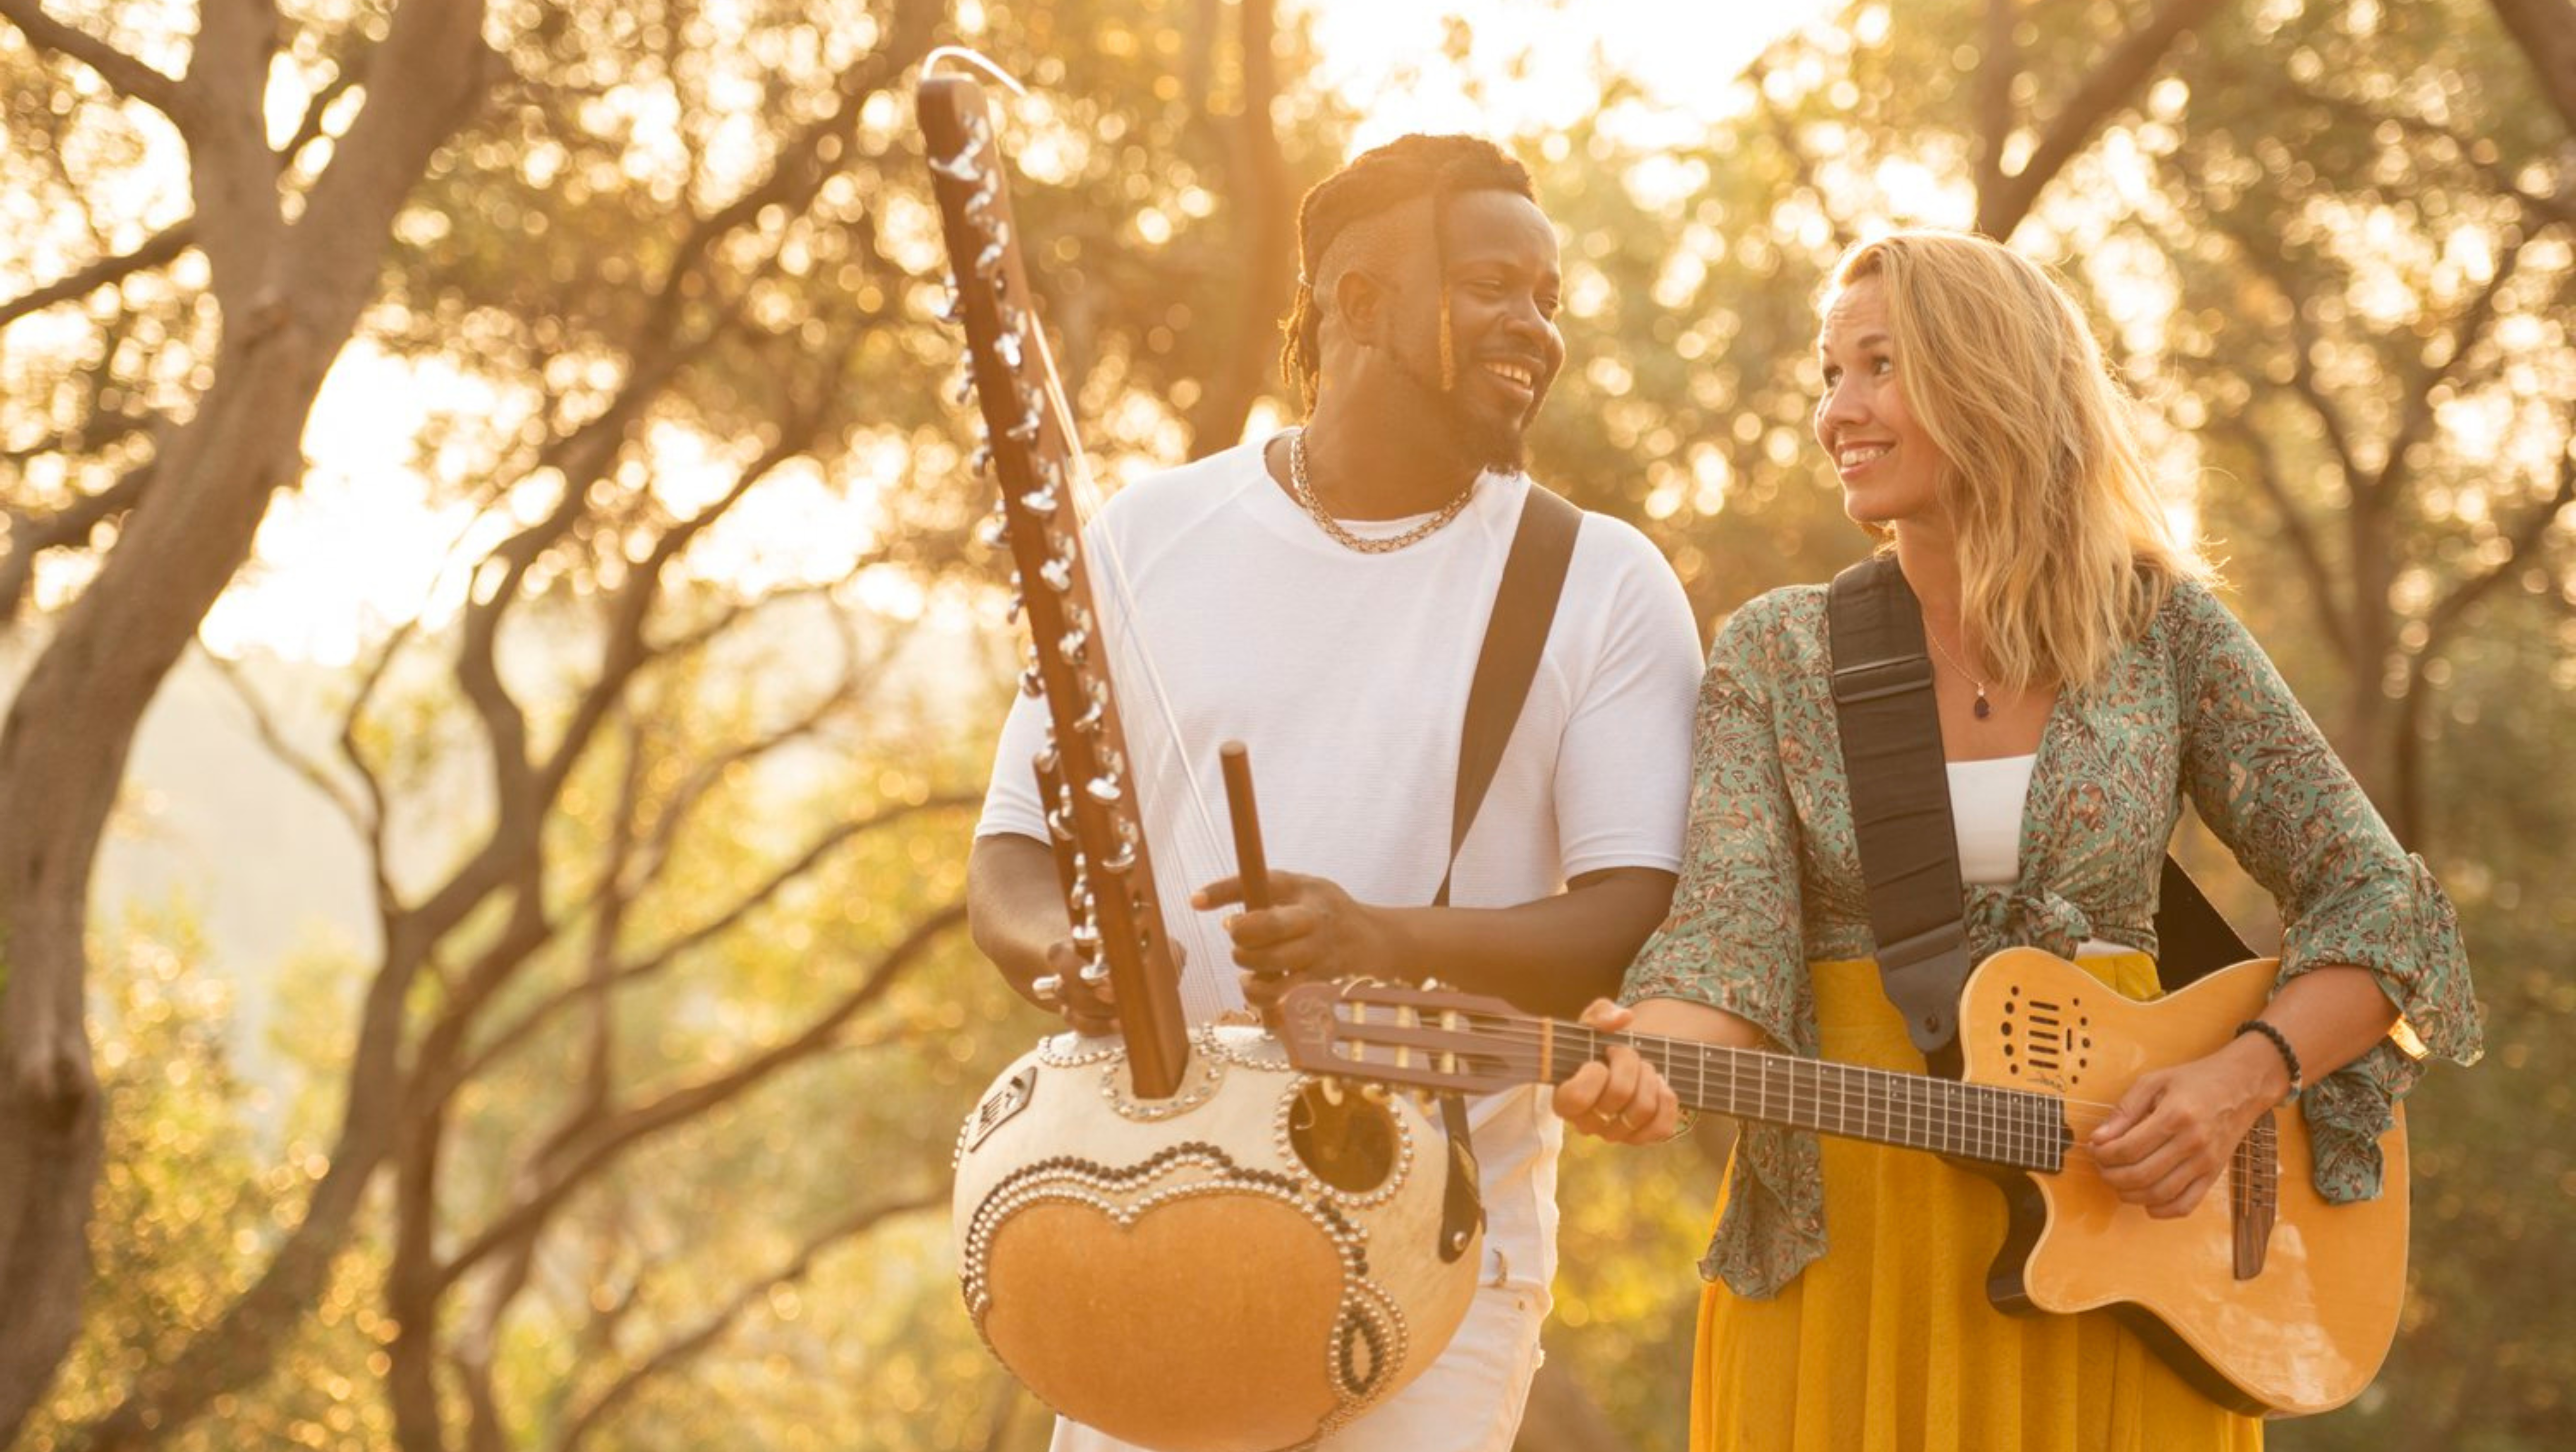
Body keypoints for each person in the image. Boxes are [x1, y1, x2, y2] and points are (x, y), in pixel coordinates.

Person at [1553, 229, 2482, 1450]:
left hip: (2127, 1235)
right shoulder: (1778, 654)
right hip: (1856, 1247)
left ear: (1988, 375)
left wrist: (2234, 1081)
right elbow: (1723, 950)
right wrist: (1639, 1063)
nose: (1840, 412)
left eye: (1877, 367)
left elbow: (2380, 901)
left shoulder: (2164, 636)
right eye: (1829, 376)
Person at [967, 133, 1704, 1452]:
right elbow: (1015, 859)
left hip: (1427, 1241)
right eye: (1493, 286)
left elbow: (1625, 917)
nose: (1533, 328)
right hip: (1153, 1203)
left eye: (1548, 298)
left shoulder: (1598, 583)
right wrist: (1066, 950)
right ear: (1360, 301)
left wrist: (1377, 941)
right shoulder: (1146, 537)